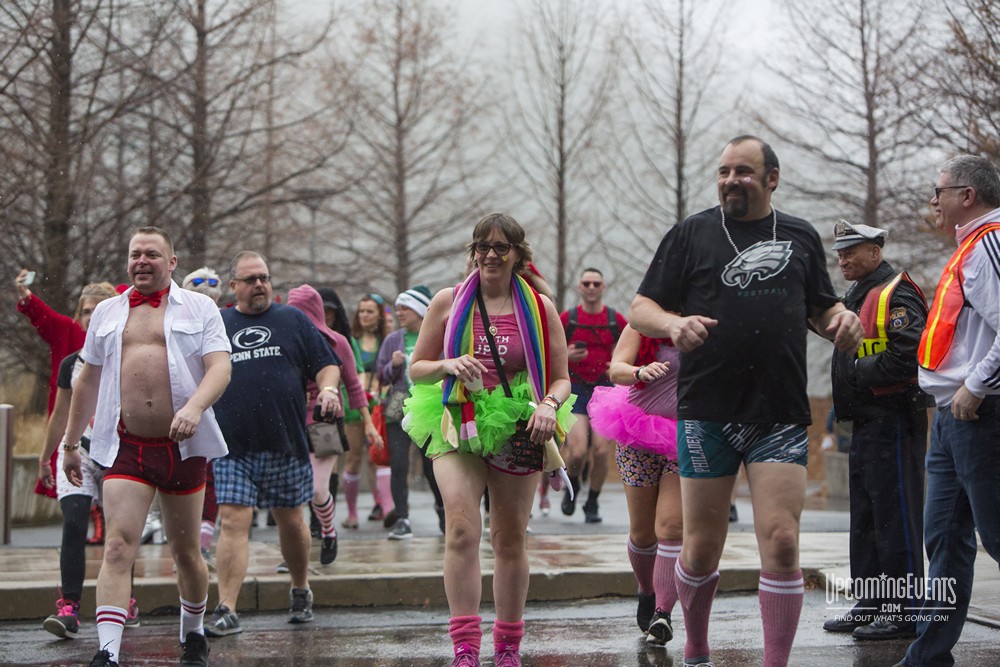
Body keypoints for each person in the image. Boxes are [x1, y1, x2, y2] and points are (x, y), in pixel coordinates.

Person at [629, 135, 862, 667]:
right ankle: (695, 648)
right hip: (707, 411)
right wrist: (673, 322)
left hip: (777, 411)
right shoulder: (692, 233)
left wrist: (840, 321)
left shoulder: (799, 236)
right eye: (724, 171)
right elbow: (641, 307)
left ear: (772, 178)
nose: (731, 179)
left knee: (781, 541)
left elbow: (821, 310)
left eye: (744, 171)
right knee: (701, 548)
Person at [404, 212, 574, 667]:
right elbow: (417, 367)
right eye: (483, 247)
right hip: (458, 417)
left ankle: (507, 647)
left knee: (509, 537)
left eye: (501, 247)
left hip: (519, 421)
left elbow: (561, 379)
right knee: (460, 528)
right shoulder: (447, 301)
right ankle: (464, 647)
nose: (490, 255)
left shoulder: (540, 307)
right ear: (473, 253)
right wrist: (449, 364)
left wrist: (548, 406)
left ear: (518, 254)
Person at [60, 227, 232, 667]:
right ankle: (108, 652)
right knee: (118, 547)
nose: (142, 261)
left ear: (171, 262)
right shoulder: (106, 312)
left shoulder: (200, 308)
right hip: (125, 445)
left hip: (183, 447)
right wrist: (69, 443)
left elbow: (220, 368)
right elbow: (88, 381)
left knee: (186, 552)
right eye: (135, 253)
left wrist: (194, 408)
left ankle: (192, 633)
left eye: (152, 254)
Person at [895, 156, 1000, 667]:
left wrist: (976, 387)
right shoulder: (969, 248)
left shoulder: (990, 244)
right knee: (944, 538)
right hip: (953, 415)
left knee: (995, 536)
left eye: (939, 191)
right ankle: (928, 656)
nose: (933, 201)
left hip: (980, 412)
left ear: (969, 194)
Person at [206, 251, 341, 637]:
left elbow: (327, 362)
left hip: (285, 442)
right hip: (233, 446)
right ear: (234, 286)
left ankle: (300, 588)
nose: (259, 285)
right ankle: (227, 607)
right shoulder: (218, 323)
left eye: (264, 277)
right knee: (233, 520)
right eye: (250, 279)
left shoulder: (291, 319)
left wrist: (328, 388)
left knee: (292, 521)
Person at [820, 220, 930, 640]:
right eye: (840, 253)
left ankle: (904, 612)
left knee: (894, 518)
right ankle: (870, 603)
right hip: (867, 421)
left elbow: (908, 355)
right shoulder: (860, 293)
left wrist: (859, 374)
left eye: (852, 251)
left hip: (894, 419)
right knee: (865, 519)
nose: (843, 259)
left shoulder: (894, 292)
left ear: (876, 252)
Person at [35, 282, 141, 639]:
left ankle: (124, 598)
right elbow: (61, 413)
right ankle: (69, 608)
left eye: (100, 311)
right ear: (80, 319)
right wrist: (45, 456)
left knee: (120, 532)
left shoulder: (129, 357)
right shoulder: (72, 364)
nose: (92, 317)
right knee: (74, 525)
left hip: (116, 452)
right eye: (86, 312)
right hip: (77, 453)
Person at [587, 324, 682, 646]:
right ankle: (647, 588)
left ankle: (663, 612)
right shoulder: (642, 324)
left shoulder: (704, 322)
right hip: (638, 431)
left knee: (670, 526)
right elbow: (616, 369)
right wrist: (640, 371)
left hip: (686, 435)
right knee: (643, 532)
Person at [287, 284, 382, 565]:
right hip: (290, 420)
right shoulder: (284, 341)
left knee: (318, 489)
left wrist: (369, 425)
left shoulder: (338, 342)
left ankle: (328, 530)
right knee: (290, 494)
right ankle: (293, 550)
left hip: (325, 421)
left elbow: (354, 387)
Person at [559, 268, 628, 523]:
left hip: (604, 387)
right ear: (579, 287)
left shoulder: (614, 319)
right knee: (576, 451)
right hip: (575, 386)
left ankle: (593, 501)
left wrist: (620, 363)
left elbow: (634, 345)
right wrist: (565, 356)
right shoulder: (568, 319)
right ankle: (574, 485)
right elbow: (547, 351)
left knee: (600, 451)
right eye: (586, 283)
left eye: (596, 283)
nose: (591, 287)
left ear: (603, 287)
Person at [376, 285, 445, 539]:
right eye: (398, 309)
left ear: (419, 309)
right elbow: (381, 375)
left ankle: (442, 510)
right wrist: (392, 367)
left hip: (429, 406)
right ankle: (402, 518)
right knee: (399, 463)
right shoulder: (393, 339)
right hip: (399, 407)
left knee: (432, 464)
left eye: (405, 308)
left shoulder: (438, 334)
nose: (399, 313)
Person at [181, 267, 224, 565]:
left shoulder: (226, 321)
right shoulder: (172, 322)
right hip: (178, 411)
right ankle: (185, 544)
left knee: (211, 478)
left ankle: (202, 544)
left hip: (219, 410)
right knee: (185, 481)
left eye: (211, 286)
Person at [345, 293, 393, 528]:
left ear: (379, 315)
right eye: (361, 311)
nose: (364, 315)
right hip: (355, 405)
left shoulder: (387, 341)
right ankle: (352, 513)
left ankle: (385, 507)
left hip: (377, 404)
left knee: (378, 456)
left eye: (370, 311)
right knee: (353, 457)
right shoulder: (351, 340)